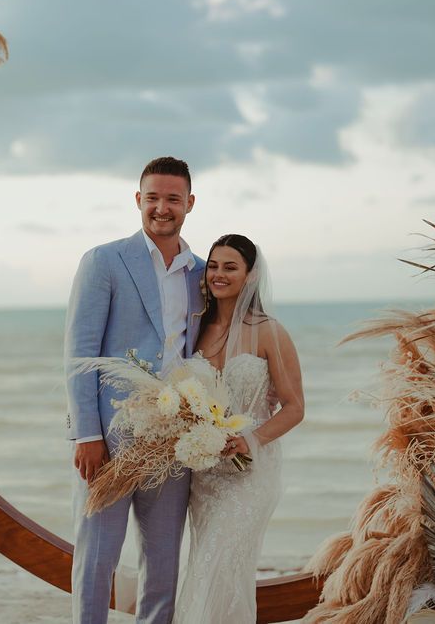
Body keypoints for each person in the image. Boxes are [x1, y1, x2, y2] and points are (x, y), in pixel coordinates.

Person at [64, 157, 206, 624]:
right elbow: (80, 354)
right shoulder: (104, 261)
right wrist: (87, 434)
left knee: (163, 560)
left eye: (172, 199)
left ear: (189, 202)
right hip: (112, 435)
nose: (161, 208)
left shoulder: (202, 273)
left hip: (174, 439)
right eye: (152, 198)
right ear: (137, 200)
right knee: (98, 555)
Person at [174, 234, 305, 624]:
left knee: (222, 568)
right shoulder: (194, 329)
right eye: (213, 265)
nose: (218, 274)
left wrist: (249, 439)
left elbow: (294, 407)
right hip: (205, 477)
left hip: (250, 476)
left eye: (230, 267)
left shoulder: (268, 331)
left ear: (250, 275)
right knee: (206, 567)